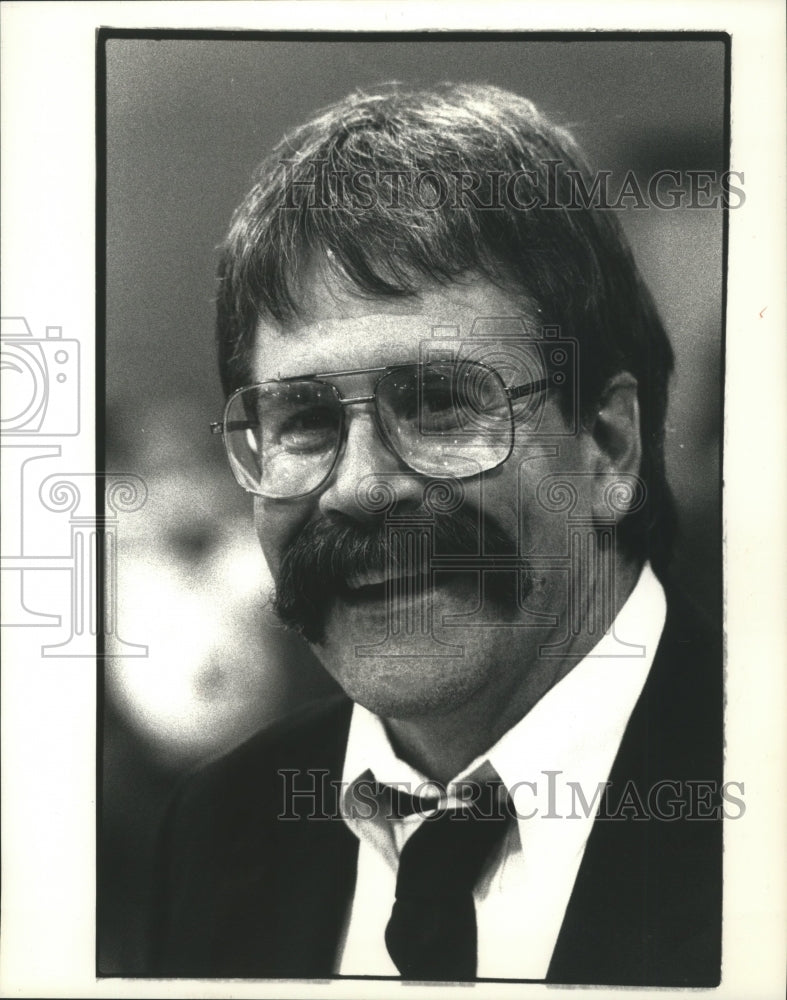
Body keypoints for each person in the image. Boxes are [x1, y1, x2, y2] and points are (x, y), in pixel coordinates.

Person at [150, 84, 723, 986]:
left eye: (441, 403)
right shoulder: (216, 831)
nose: (361, 487)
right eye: (301, 420)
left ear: (611, 448)